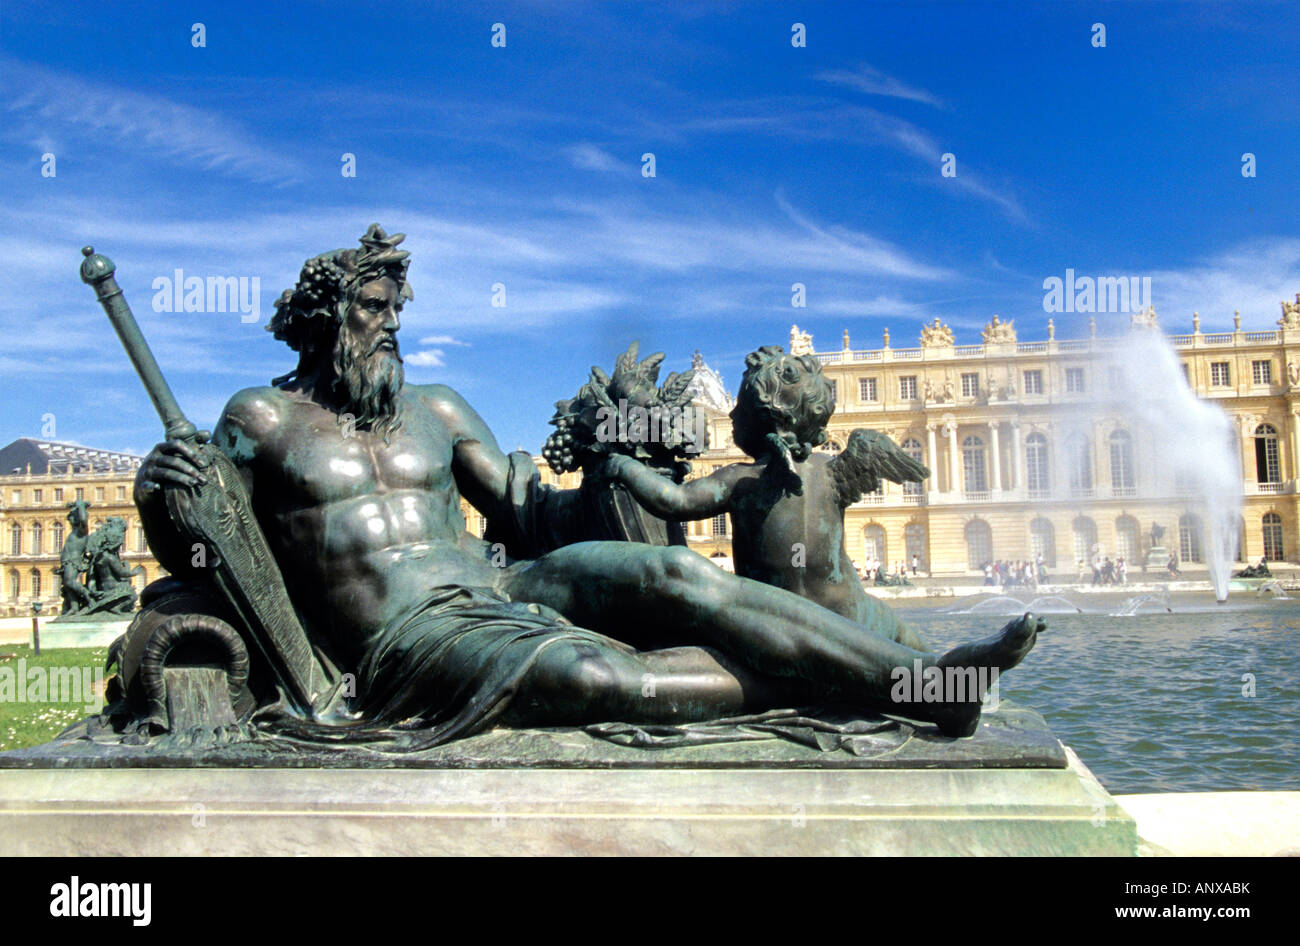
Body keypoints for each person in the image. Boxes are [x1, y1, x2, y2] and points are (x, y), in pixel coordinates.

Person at [138, 226, 1041, 744]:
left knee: (677, 580)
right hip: (403, 638)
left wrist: (620, 472)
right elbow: (207, 536)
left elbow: (533, 512)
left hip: (493, 586)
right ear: (322, 318)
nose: (390, 329)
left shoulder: (437, 408)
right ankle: (859, 683)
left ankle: (926, 685)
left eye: (397, 314)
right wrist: (159, 490)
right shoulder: (261, 418)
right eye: (372, 312)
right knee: (595, 673)